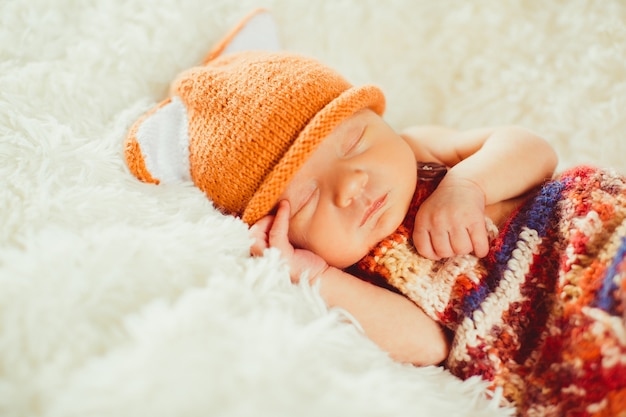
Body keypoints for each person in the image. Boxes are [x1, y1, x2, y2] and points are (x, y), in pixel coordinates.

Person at [124, 10, 625, 416]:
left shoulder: (422, 150)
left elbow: (534, 150)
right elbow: (428, 345)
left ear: (376, 118)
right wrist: (318, 278)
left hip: (588, 231)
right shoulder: (357, 270)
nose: (351, 185)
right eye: (308, 200)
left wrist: (467, 184)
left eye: (354, 142)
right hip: (548, 336)